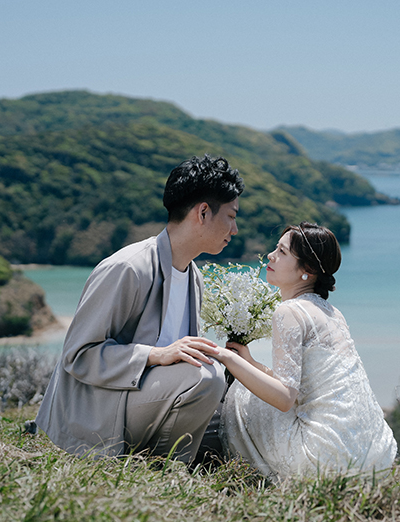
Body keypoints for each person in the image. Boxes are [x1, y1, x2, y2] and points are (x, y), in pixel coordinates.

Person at [36, 155, 244, 464]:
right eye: (230, 215)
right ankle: (165, 467)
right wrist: (154, 354)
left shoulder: (194, 278)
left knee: (236, 415)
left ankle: (161, 459)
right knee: (207, 379)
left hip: (146, 398)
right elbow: (78, 355)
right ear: (202, 213)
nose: (235, 229)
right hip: (98, 409)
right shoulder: (128, 268)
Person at [216, 221, 397, 478]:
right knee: (251, 379)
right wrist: (251, 363)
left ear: (308, 269)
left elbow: (285, 398)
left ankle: (242, 472)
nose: (271, 255)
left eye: (282, 252)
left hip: (321, 456)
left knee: (242, 393)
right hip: (373, 456)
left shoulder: (289, 311)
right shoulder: (332, 312)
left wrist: (224, 356)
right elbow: (305, 387)